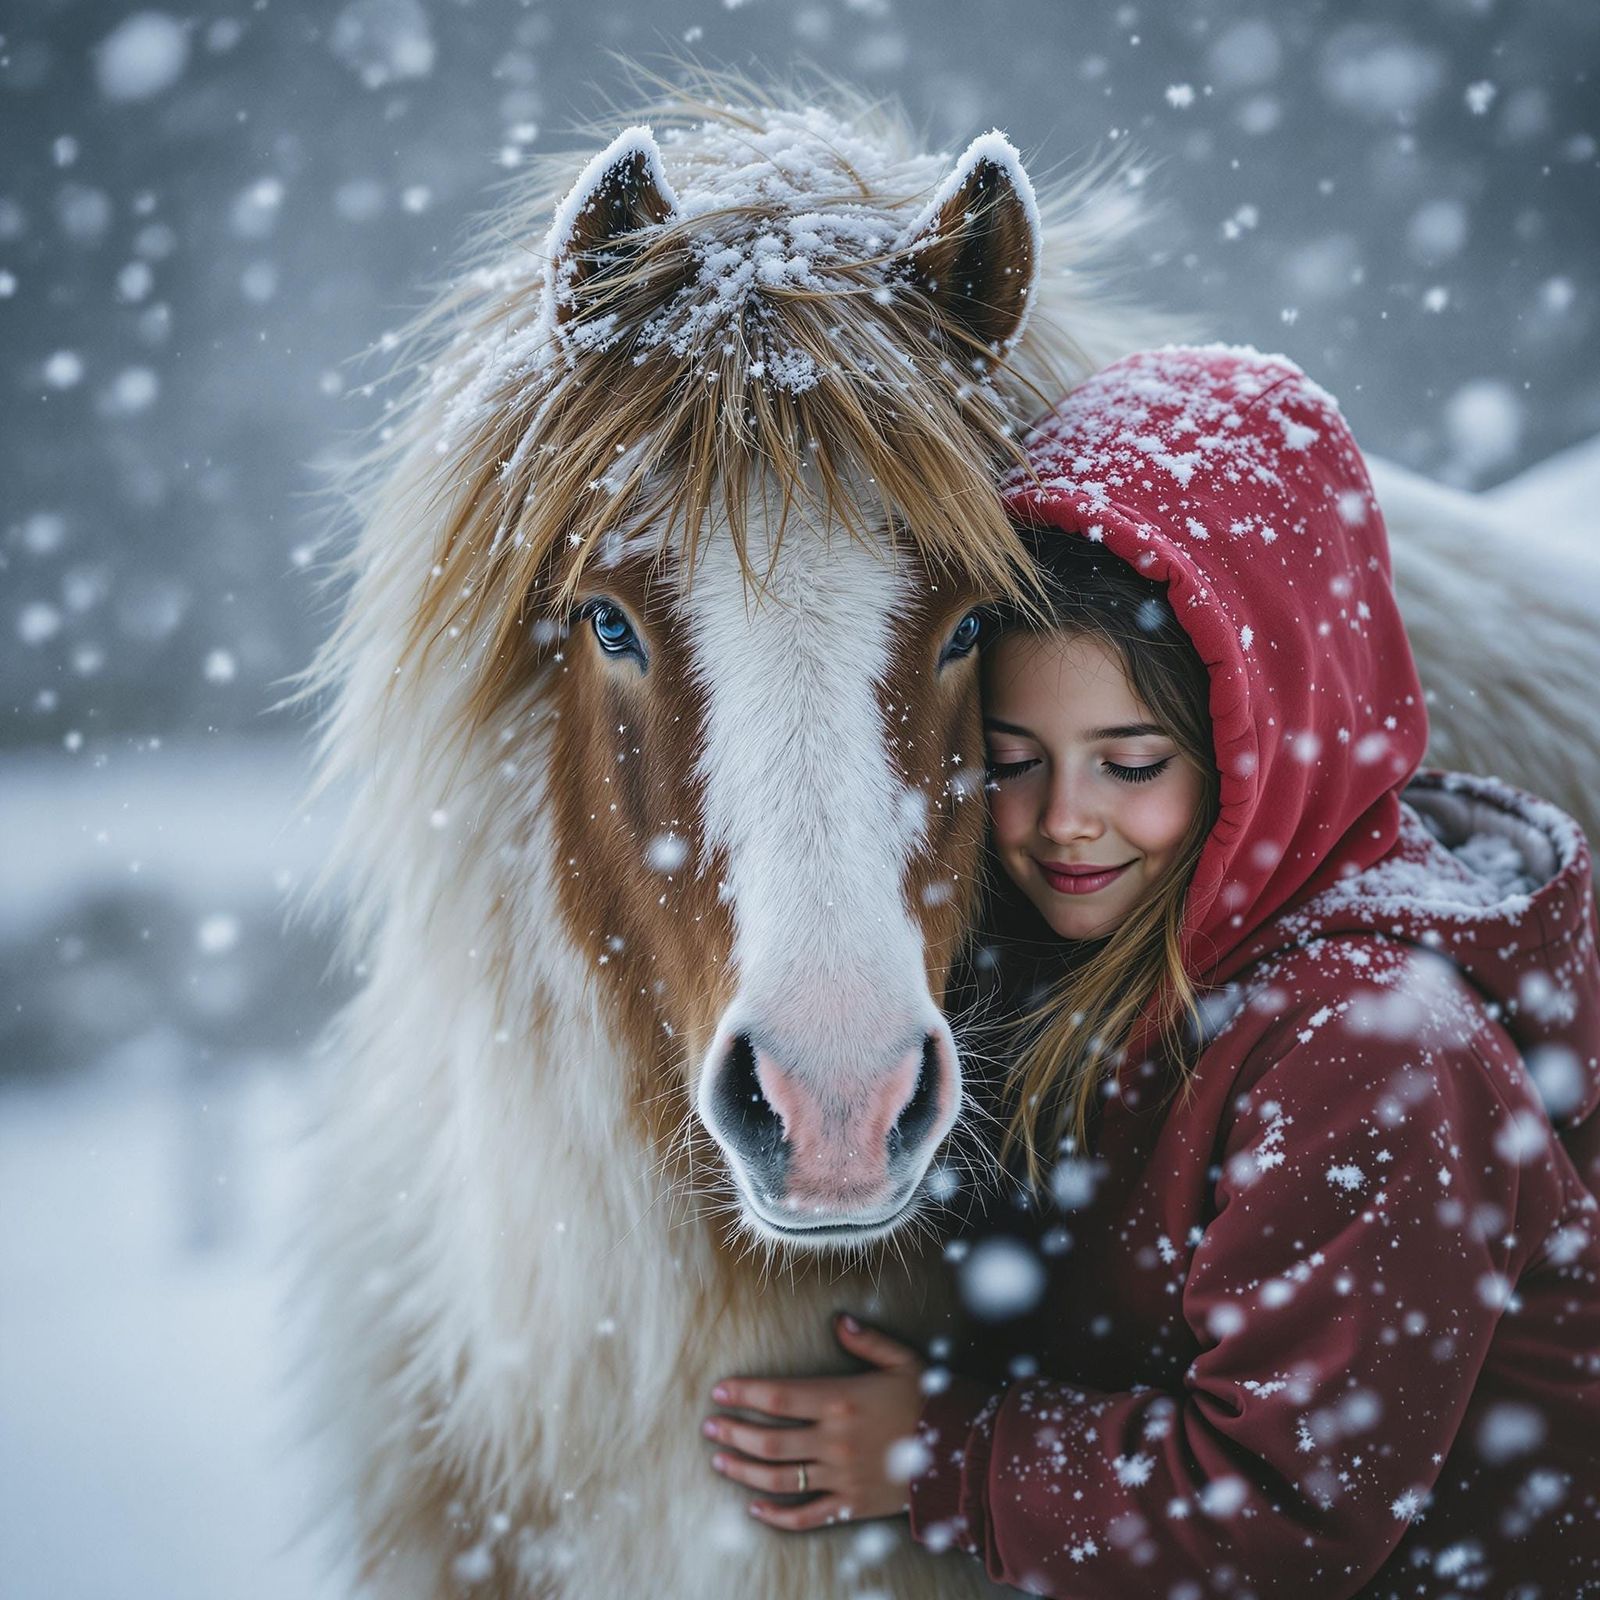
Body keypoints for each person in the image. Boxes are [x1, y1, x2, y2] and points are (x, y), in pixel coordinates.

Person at [700, 345, 1600, 1596]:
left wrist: (941, 1458)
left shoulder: (1380, 1054)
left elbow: (1286, 1507)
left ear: (1264, 749)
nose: (1065, 820)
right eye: (1013, 760)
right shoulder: (1115, 951)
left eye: (1130, 765)